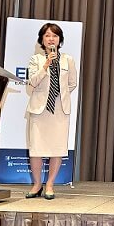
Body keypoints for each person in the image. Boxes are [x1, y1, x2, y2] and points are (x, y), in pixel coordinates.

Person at [25, 23, 78, 199]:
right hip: (40, 109)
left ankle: (50, 184)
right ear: (42, 39)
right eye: (47, 35)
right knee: (36, 149)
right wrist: (46, 64)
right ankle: (37, 184)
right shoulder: (36, 60)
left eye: (55, 36)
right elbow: (33, 82)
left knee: (57, 148)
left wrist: (59, 95)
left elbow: (72, 83)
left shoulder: (68, 59)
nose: (51, 39)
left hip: (59, 109)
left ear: (60, 40)